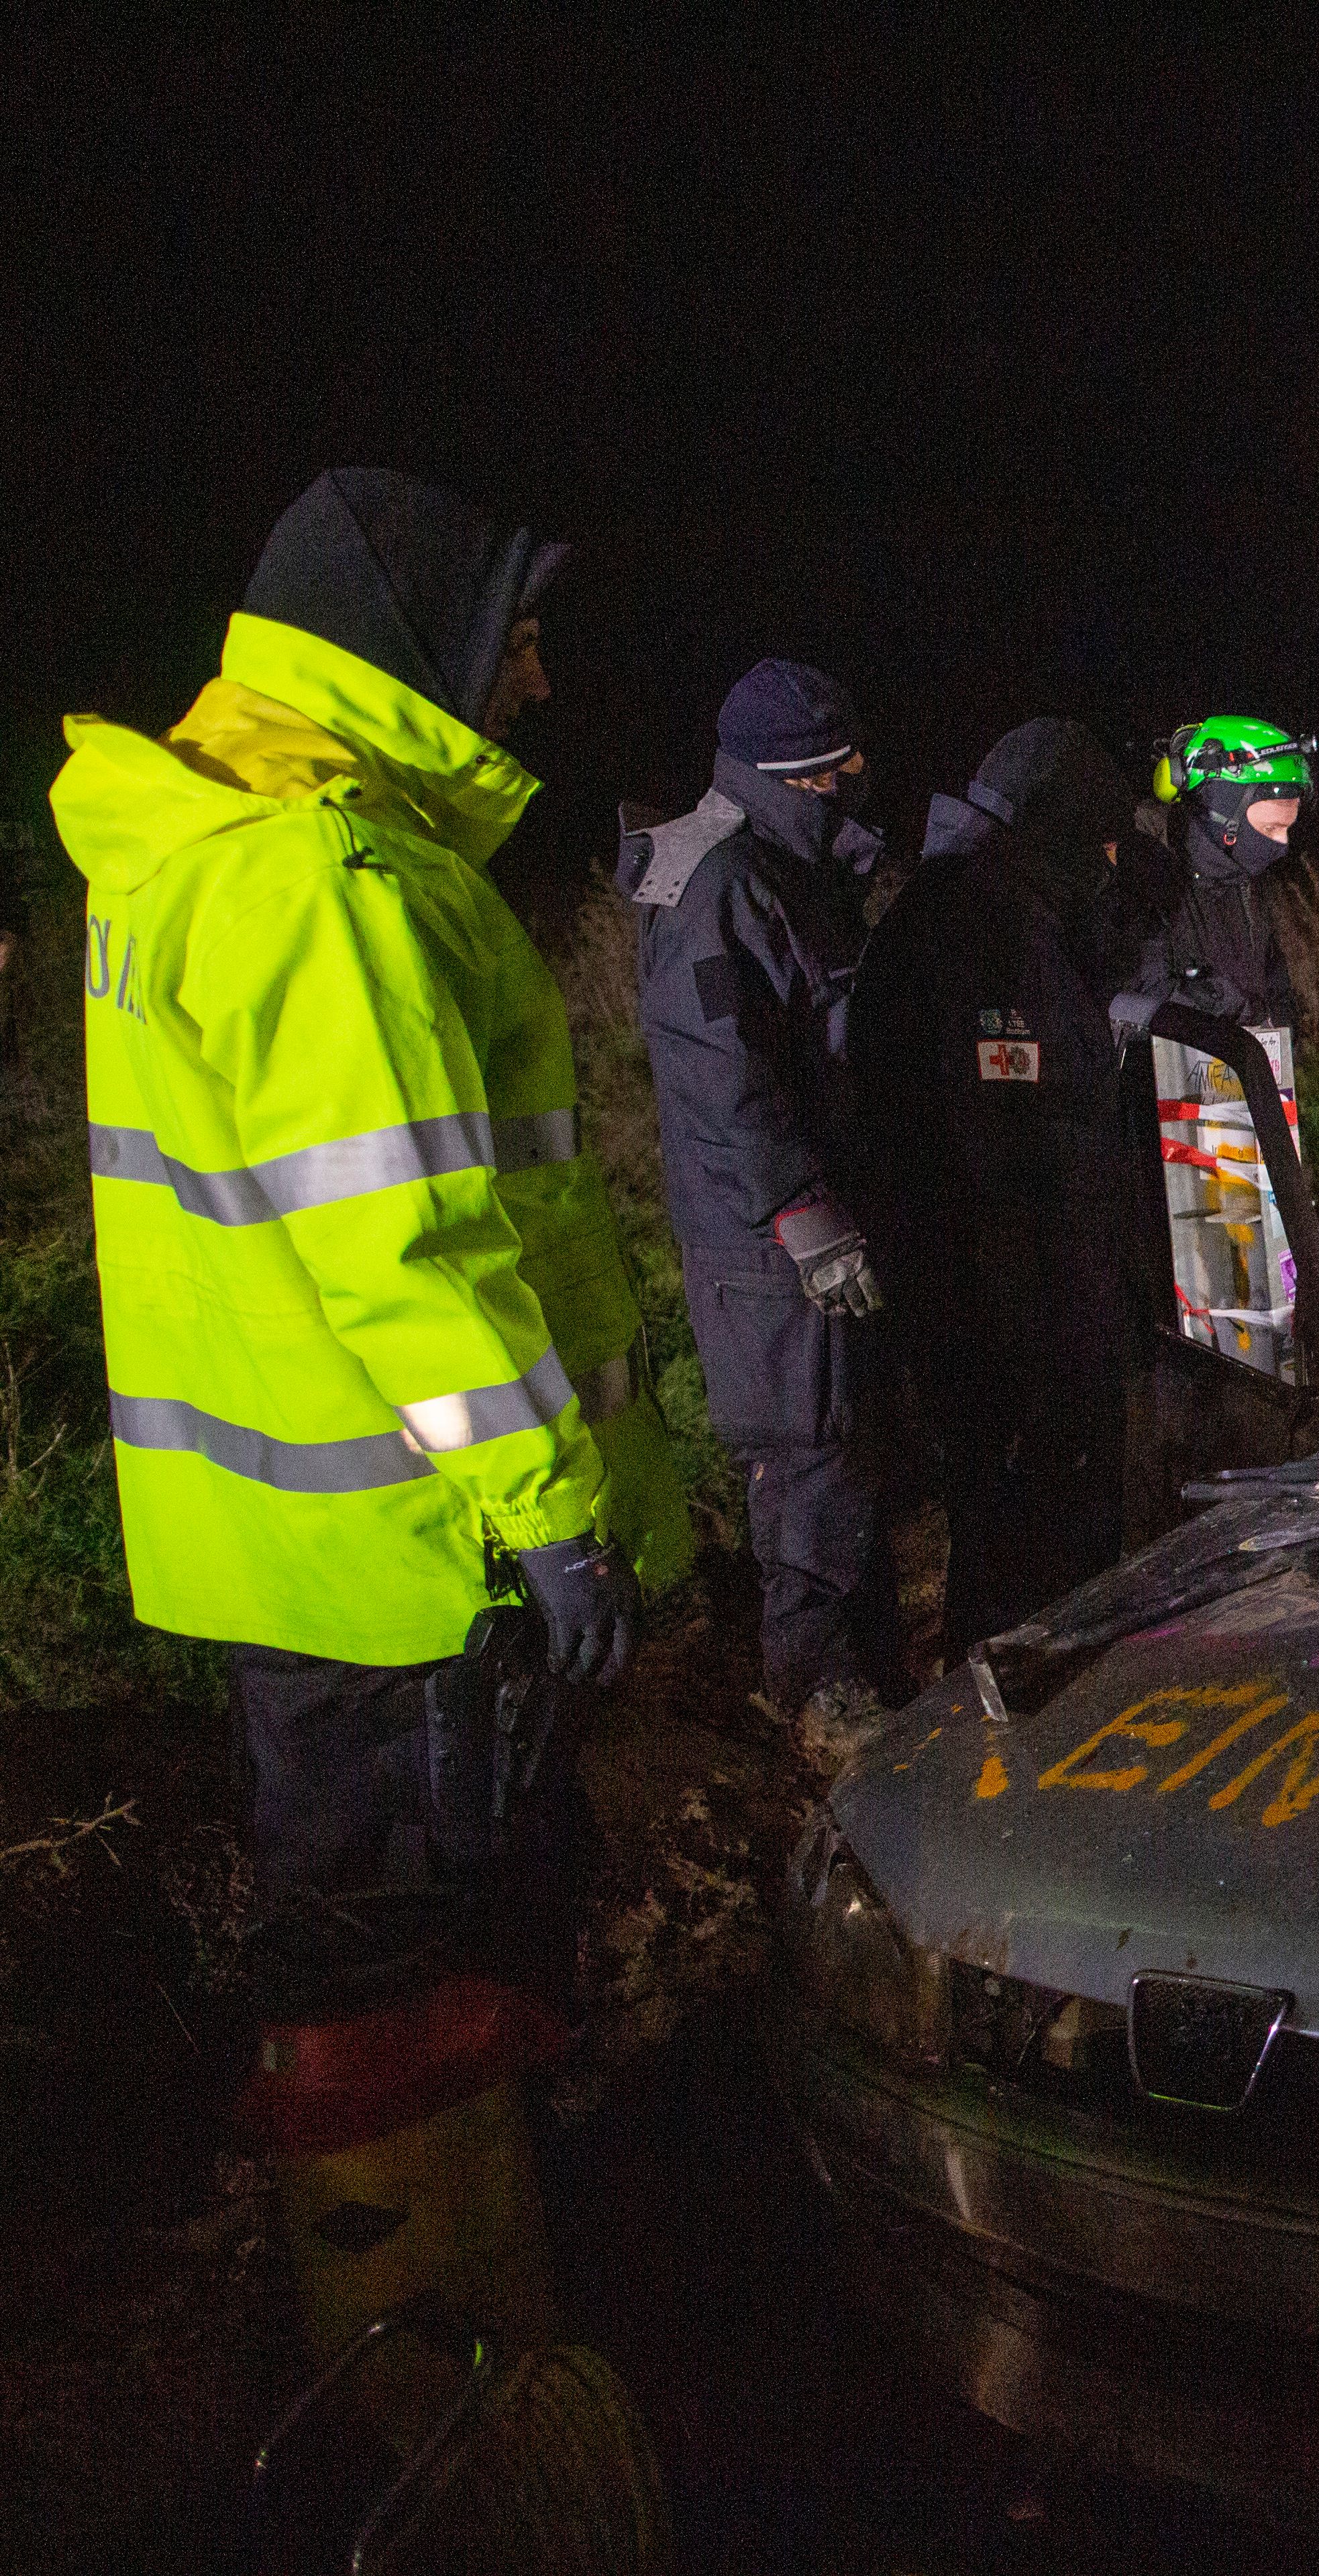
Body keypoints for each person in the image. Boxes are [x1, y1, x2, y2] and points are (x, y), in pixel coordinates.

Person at [51, 467, 689, 1993]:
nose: (536, 680)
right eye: (516, 641)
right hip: (421, 1568)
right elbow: (405, 1245)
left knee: (374, 1966)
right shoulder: (319, 878)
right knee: (426, 1983)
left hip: (311, 1556)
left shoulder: (200, 842)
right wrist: (550, 1516)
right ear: (411, 649)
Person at [618, 658, 902, 1729]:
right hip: (766, 1236)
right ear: (795, 777)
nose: (855, 784)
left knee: (848, 1446)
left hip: (812, 1211)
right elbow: (719, 1072)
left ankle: (872, 1676)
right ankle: (816, 1697)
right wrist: (801, 1210)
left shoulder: (786, 865)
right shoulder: (721, 884)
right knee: (807, 1448)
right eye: (837, 771)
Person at [851, 718, 1155, 1647]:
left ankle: (1025, 1672)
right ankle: (1020, 1695)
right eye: (1102, 845)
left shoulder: (996, 910)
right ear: (1060, 828)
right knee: (1023, 1523)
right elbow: (1000, 1142)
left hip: (1010, 1290)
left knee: (1019, 1515)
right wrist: (1044, 1323)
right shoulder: (977, 929)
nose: (1109, 866)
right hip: (1010, 1302)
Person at [1139, 714, 1316, 1025]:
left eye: (1287, 829)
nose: (1282, 845)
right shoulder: (1146, 879)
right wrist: (1232, 1009)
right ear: (1221, 813)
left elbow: (1275, 989)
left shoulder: (1249, 883)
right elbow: (1142, 997)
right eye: (1270, 828)